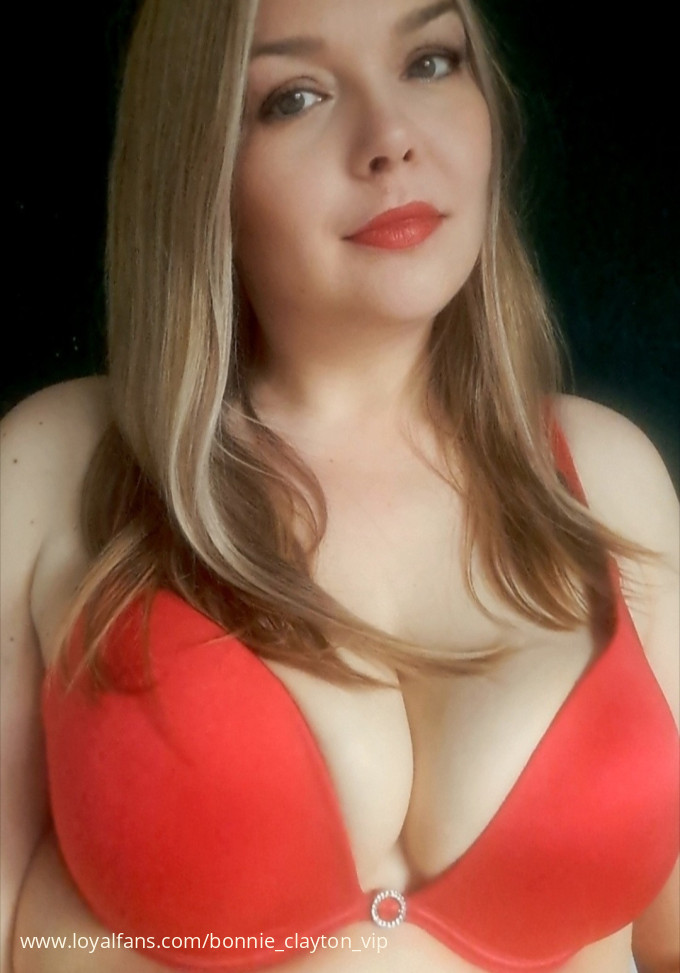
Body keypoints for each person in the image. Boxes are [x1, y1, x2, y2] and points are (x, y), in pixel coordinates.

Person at [1, 0, 678, 971]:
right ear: (196, 160)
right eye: (296, 96)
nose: (389, 137)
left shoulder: (609, 478)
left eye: (430, 61)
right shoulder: (53, 462)